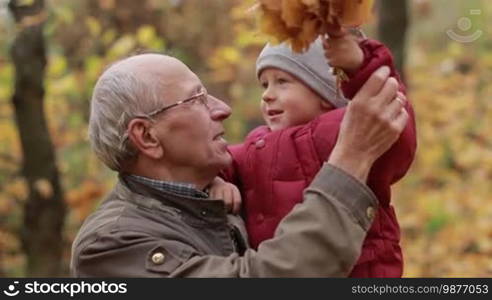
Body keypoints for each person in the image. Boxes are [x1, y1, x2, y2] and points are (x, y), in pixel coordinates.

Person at [70, 52, 409, 277]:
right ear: (147, 137)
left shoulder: (221, 193)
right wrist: (350, 161)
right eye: (197, 99)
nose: (223, 108)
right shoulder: (109, 244)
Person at [212, 31, 417, 277]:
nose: (267, 94)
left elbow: (394, 116)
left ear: (325, 94)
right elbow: (214, 162)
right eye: (265, 84)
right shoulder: (257, 144)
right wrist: (217, 180)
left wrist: (359, 64)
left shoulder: (343, 130)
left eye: (282, 81)